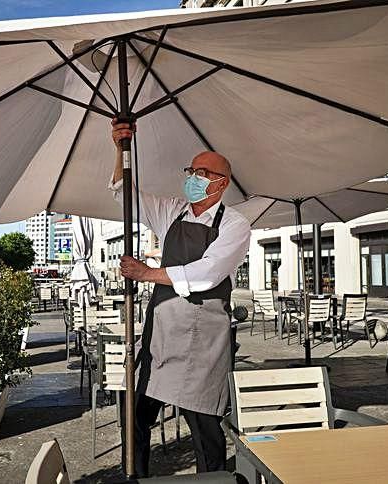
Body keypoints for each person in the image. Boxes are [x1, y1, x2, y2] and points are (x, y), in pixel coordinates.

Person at [111, 120, 251, 477]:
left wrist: (147, 273)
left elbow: (208, 271)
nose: (193, 176)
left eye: (201, 172)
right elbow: (123, 193)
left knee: (205, 429)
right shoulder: (172, 211)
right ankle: (136, 477)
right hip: (162, 333)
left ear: (221, 182)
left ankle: (213, 480)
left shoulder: (235, 225)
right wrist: (121, 148)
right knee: (134, 419)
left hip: (202, 340)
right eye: (191, 170)